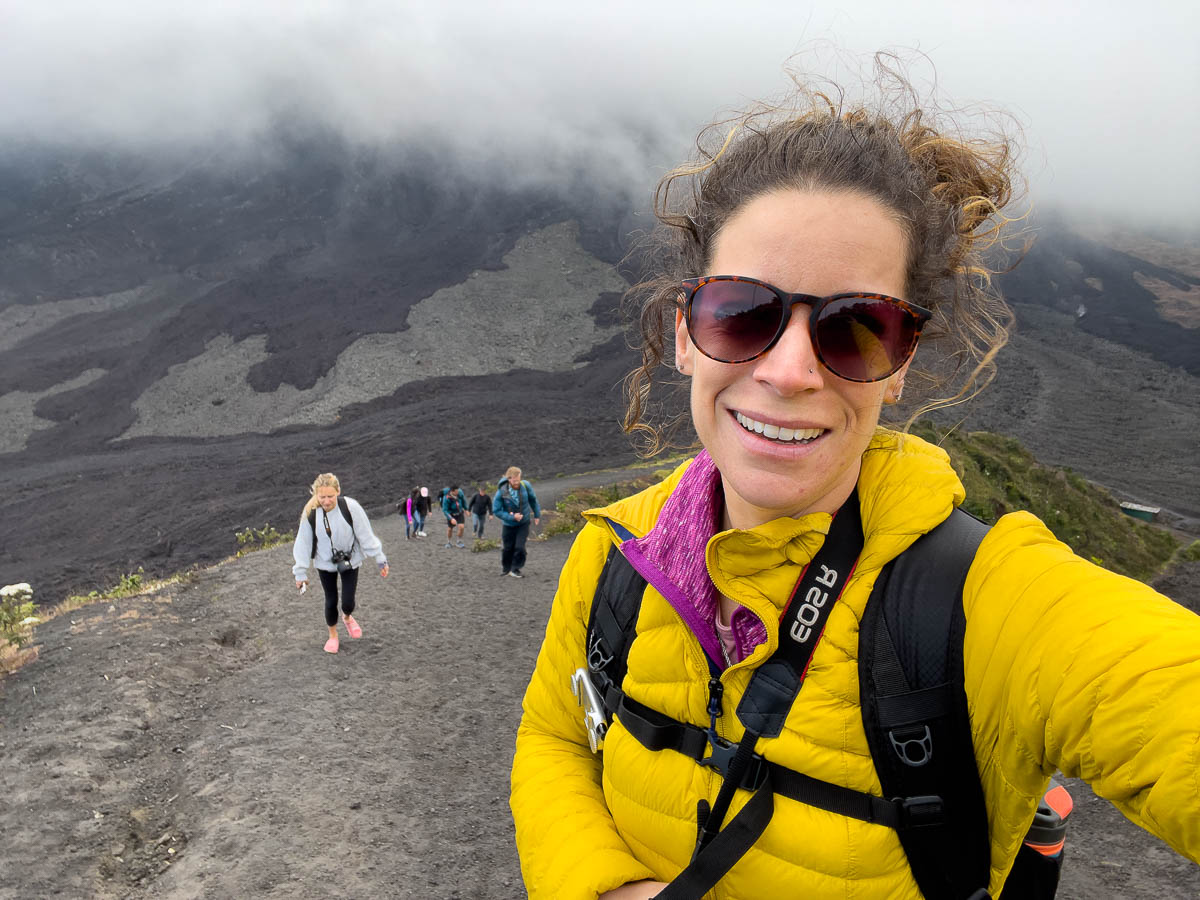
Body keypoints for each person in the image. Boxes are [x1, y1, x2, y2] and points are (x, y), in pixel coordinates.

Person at [509, 61, 1200, 900]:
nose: (791, 370)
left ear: (902, 365)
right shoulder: (614, 554)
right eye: (741, 311)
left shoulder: (989, 606)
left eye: (859, 328)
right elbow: (553, 737)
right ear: (686, 332)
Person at [292, 473, 389, 654]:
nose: (326, 501)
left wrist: (380, 558)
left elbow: (365, 534)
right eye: (322, 497)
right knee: (331, 601)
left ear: (338, 491)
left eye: (330, 496)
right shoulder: (311, 513)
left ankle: (347, 616)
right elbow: (302, 543)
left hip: (350, 560)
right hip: (324, 563)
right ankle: (333, 636)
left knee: (348, 602)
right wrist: (300, 573)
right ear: (316, 495)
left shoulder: (350, 507)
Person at [493, 466, 540, 577]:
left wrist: (537, 514)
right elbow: (496, 510)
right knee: (507, 548)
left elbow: (533, 500)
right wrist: (512, 517)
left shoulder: (525, 486)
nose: (517, 483)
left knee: (519, 547)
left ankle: (515, 569)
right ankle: (506, 568)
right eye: (514, 481)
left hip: (523, 523)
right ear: (509, 479)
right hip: (508, 524)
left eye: (518, 480)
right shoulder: (502, 491)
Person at [443, 483, 468, 548]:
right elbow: (445, 510)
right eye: (456, 491)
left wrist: (466, 509)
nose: (458, 492)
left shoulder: (460, 494)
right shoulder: (446, 498)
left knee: (461, 527)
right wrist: (451, 519)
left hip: (459, 513)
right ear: (452, 491)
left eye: (458, 490)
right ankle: (449, 542)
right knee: (450, 529)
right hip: (451, 514)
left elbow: (463, 500)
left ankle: (458, 541)